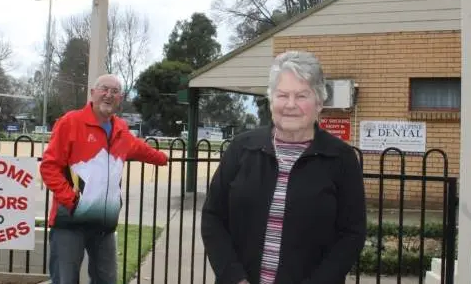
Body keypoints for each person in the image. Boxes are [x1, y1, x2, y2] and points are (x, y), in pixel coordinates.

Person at [201, 51, 367, 284]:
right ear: (271, 99)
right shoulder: (241, 148)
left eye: (301, 96)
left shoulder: (341, 159)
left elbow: (351, 235)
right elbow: (213, 217)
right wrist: (234, 278)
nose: (290, 105)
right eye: (282, 95)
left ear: (319, 102)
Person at [40, 74, 169, 284]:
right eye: (104, 89)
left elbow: (138, 148)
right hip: (70, 223)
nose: (109, 95)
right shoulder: (70, 122)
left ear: (120, 98)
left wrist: (163, 158)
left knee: (107, 279)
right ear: (93, 93)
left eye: (115, 91)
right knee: (65, 280)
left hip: (104, 226)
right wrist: (72, 201)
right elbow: (49, 167)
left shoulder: (121, 129)